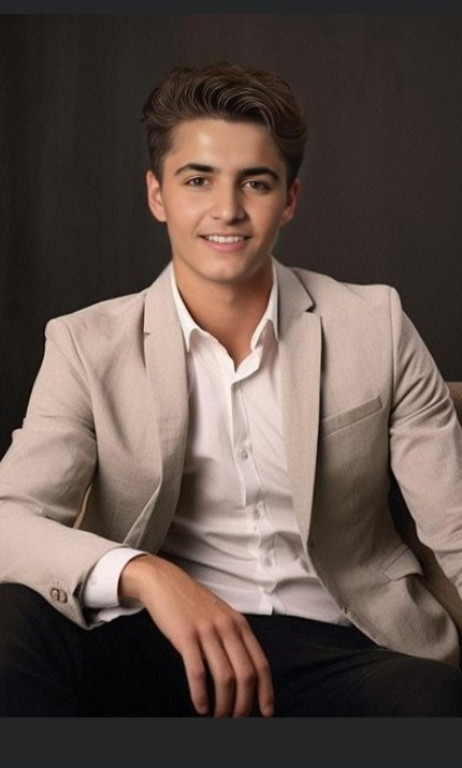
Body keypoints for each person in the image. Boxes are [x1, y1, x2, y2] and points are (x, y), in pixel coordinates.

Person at [1, 61, 462, 718]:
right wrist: (146, 575)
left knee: (431, 702)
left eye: (255, 182)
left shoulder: (375, 324)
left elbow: (454, 524)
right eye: (198, 180)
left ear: (289, 199)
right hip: (160, 641)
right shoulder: (87, 345)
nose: (227, 209)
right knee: (11, 623)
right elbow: (10, 520)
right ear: (157, 195)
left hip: (342, 645)